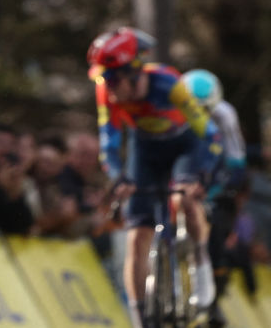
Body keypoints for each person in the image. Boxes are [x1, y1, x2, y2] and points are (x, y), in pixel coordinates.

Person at [86, 27, 222, 328]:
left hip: (184, 146)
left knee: (186, 201)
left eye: (111, 79)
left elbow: (209, 134)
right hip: (145, 149)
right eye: (102, 79)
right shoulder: (106, 93)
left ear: (134, 71)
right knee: (137, 237)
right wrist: (117, 176)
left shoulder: (169, 84)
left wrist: (203, 175)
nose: (106, 86)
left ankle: (202, 269)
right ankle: (140, 320)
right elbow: (108, 141)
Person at [180, 69, 247, 326]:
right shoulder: (170, 111)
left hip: (213, 174)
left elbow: (235, 161)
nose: (200, 117)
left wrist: (219, 191)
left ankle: (214, 298)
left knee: (216, 229)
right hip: (181, 168)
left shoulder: (225, 116)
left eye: (206, 110)